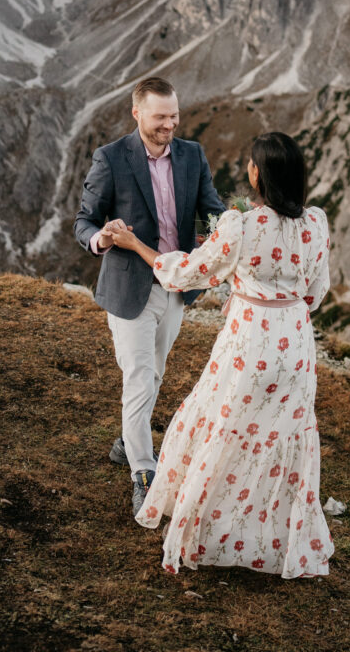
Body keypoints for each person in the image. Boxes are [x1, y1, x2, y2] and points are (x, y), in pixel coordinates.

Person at [110, 131, 334, 578]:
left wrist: (135, 245)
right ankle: (274, 537)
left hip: (249, 344)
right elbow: (317, 290)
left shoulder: (241, 226)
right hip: (297, 347)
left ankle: (210, 526)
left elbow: (185, 273)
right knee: (280, 435)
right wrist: (282, 304)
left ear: (256, 174)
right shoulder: (316, 222)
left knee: (228, 426)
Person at [73, 76, 225, 516]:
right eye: (160, 117)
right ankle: (143, 471)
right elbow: (84, 221)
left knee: (154, 374)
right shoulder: (110, 158)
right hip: (129, 288)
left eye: (174, 116)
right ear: (137, 113)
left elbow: (212, 210)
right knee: (140, 376)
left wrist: (231, 229)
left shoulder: (193, 155)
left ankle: (127, 441)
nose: (169, 125)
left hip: (176, 290)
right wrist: (102, 238)